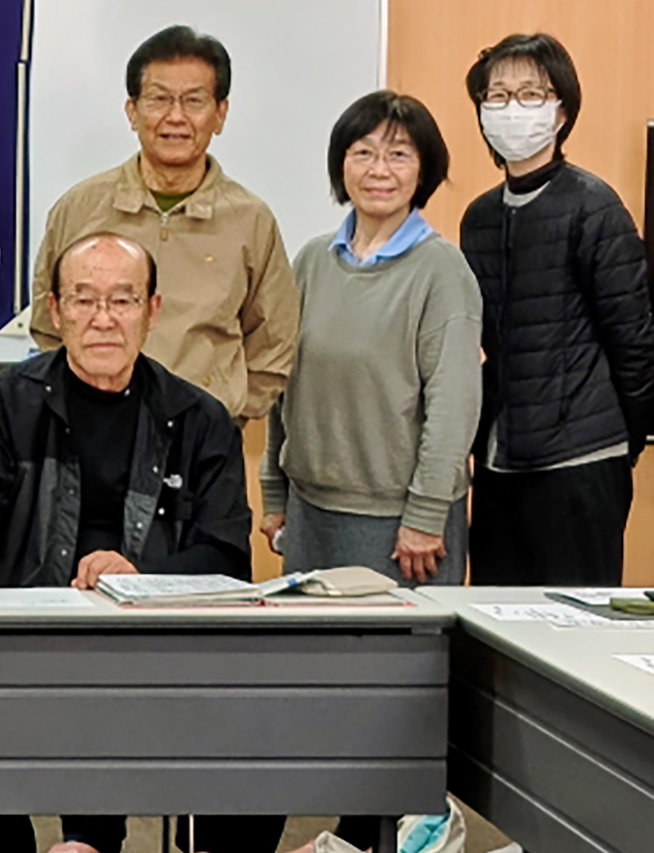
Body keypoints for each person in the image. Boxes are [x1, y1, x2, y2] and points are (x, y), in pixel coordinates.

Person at [0, 233, 280, 853]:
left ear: (152, 310)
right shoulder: (4, 403)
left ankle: (89, 840)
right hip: (27, 645)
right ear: (56, 311)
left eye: (122, 300)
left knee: (266, 744)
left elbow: (226, 556)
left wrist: (140, 575)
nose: (103, 318)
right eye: (84, 299)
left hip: (157, 653)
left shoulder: (200, 420)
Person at [257, 93, 480, 853]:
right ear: (340, 165)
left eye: (398, 154)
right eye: (362, 152)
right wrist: (275, 490)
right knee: (324, 696)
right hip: (315, 515)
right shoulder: (312, 260)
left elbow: (454, 405)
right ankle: (347, 836)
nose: (378, 169)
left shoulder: (442, 271)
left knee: (393, 705)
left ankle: (376, 838)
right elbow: (285, 383)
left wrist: (424, 514)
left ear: (425, 170)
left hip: (401, 529)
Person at [459, 33, 654, 587]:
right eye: (497, 96)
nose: (511, 109)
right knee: (493, 620)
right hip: (499, 462)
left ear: (561, 110)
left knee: (572, 621)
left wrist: (621, 444)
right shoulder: (479, 218)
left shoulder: (594, 207)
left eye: (530, 94)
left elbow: (635, 343)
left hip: (581, 464)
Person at [30, 25, 298, 422]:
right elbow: (48, 325)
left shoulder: (250, 220)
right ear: (132, 112)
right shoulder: (80, 208)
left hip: (205, 440)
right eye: (159, 99)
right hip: (91, 432)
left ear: (220, 114)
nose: (175, 117)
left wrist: (225, 420)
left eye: (194, 101)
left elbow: (274, 343)